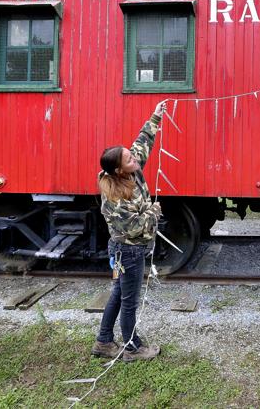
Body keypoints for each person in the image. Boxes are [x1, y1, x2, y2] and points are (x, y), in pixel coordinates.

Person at [92, 101, 166, 361]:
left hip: (125, 251)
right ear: (118, 169)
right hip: (128, 251)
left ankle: (103, 342)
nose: (135, 157)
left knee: (118, 294)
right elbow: (134, 228)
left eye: (131, 155)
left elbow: (142, 142)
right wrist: (153, 211)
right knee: (129, 301)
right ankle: (133, 349)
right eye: (129, 158)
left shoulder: (130, 170)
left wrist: (155, 118)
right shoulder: (115, 197)